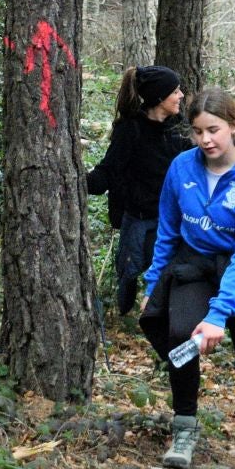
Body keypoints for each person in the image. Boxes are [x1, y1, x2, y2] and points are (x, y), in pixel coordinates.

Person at [139, 89, 235, 469]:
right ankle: (184, 429)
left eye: (214, 130)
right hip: (197, 266)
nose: (205, 140)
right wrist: (153, 285)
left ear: (234, 127)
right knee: (178, 336)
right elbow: (168, 231)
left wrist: (220, 314)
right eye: (197, 131)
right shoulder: (181, 169)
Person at [86, 66, 189, 315]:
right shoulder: (130, 130)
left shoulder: (179, 130)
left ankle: (159, 313)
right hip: (137, 217)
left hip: (170, 219)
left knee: (168, 269)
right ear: (158, 97)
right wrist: (75, 182)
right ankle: (125, 315)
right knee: (129, 273)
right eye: (175, 91)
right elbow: (108, 171)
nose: (181, 95)